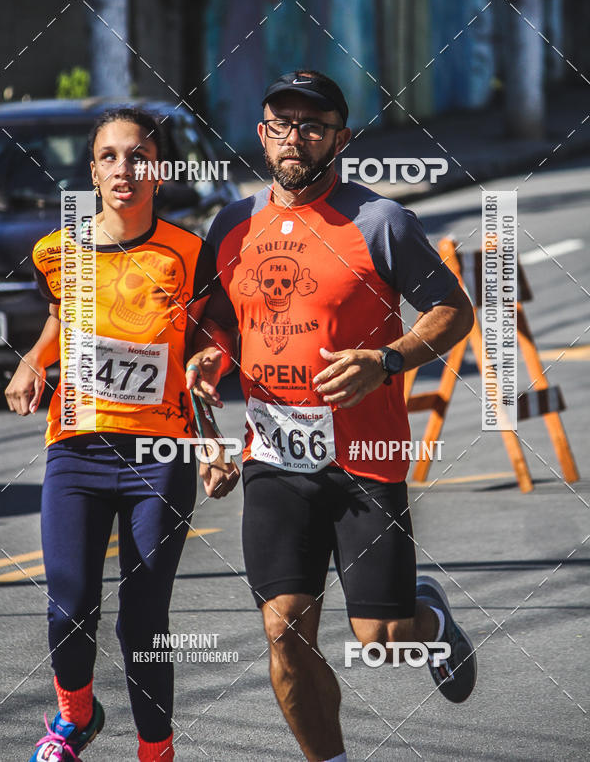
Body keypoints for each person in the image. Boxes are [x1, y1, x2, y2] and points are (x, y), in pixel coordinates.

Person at [187, 70, 477, 762]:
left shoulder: (381, 221)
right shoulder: (229, 226)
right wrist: (209, 426)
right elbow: (212, 334)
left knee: (382, 639)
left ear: (340, 139)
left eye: (312, 125)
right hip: (274, 462)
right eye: (281, 124)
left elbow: (454, 310)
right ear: (261, 135)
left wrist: (389, 358)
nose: (295, 138)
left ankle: (426, 614)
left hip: (364, 463)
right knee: (285, 634)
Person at [5, 108, 239, 762]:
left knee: (143, 624)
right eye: (109, 157)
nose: (123, 170)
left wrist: (207, 367)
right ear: (92, 171)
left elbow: (211, 340)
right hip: (76, 449)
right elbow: (59, 318)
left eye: (137, 157)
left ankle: (156, 753)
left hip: (159, 456)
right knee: (70, 603)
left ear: (158, 170)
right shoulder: (60, 250)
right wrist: (34, 360)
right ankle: (76, 715)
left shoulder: (189, 254)